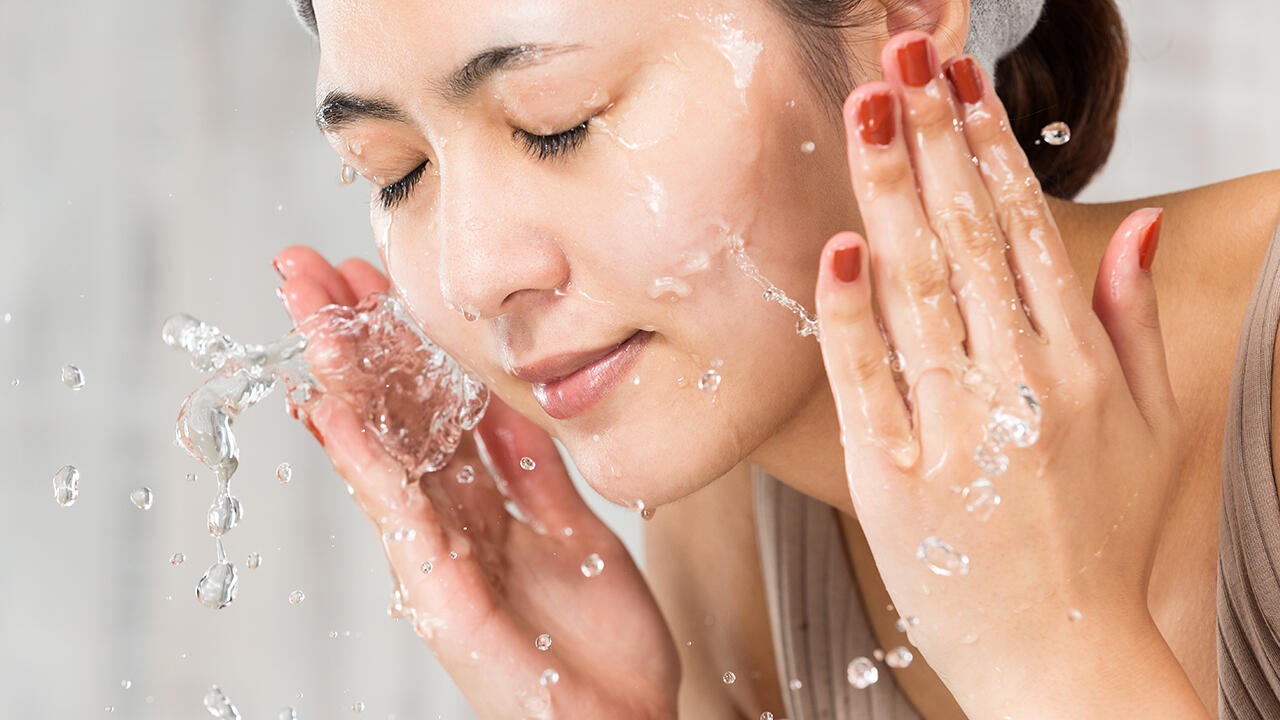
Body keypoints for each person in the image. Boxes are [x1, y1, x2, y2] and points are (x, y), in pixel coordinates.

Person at [270, 0, 1280, 717]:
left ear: (899, 19)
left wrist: (1057, 656)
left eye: (558, 121)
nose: (471, 275)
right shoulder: (729, 540)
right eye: (394, 174)